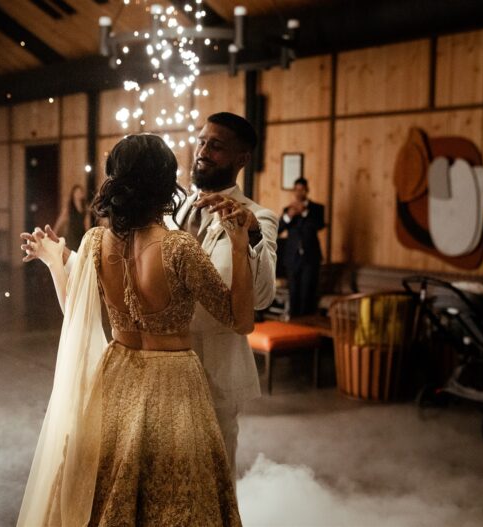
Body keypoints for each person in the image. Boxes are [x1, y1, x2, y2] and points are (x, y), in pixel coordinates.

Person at [17, 134, 252, 526]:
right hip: (174, 383)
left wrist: (54, 262)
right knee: (179, 498)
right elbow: (241, 320)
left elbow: (74, 313)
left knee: (112, 488)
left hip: (117, 376)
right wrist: (240, 246)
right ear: (166, 183)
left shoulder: (95, 242)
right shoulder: (179, 247)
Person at [175, 112, 278, 481]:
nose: (203, 151)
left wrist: (250, 237)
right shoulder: (176, 207)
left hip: (215, 371)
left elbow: (262, 297)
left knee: (215, 478)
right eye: (202, 142)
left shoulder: (259, 217)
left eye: (216, 146)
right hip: (165, 365)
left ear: (241, 159)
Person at [278, 177, 325, 316]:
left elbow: (319, 226)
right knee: (293, 293)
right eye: (296, 190)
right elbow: (278, 229)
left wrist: (304, 212)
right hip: (292, 258)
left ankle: (306, 323)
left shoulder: (317, 208)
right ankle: (293, 322)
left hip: (310, 258)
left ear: (307, 190)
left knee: (307, 293)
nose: (299, 193)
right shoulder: (288, 209)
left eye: (302, 190)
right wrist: (289, 216)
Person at [52, 184, 91, 251]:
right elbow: (60, 221)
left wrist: (89, 237)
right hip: (71, 236)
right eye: (76, 192)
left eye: (80, 192)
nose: (78, 194)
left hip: (81, 235)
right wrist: (53, 232)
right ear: (73, 194)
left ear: (82, 195)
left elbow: (87, 224)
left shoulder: (85, 208)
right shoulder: (69, 208)